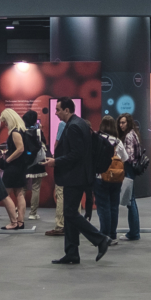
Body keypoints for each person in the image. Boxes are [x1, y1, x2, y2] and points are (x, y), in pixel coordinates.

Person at [51, 98, 114, 265]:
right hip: (79, 176)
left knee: (70, 213)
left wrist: (55, 162)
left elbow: (76, 154)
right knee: (69, 213)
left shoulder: (73, 126)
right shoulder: (80, 124)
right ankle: (72, 252)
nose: (56, 113)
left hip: (75, 177)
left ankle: (100, 239)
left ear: (67, 110)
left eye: (58, 109)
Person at [94, 115, 130, 241]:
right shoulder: (118, 141)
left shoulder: (97, 139)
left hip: (100, 177)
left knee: (103, 207)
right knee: (114, 207)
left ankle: (104, 236)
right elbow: (125, 158)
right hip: (116, 178)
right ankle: (112, 235)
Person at [0, 107, 32, 229]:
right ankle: (20, 222)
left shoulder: (15, 132)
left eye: (5, 121)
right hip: (20, 167)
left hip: (13, 168)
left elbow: (20, 149)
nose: (5, 124)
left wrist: (7, 159)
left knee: (5, 194)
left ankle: (14, 222)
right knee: (19, 194)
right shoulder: (22, 131)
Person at [118, 112, 144, 242]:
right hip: (132, 170)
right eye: (120, 122)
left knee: (130, 201)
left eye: (123, 122)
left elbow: (129, 157)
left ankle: (134, 233)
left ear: (128, 123)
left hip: (128, 170)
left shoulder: (128, 136)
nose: (121, 125)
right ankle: (134, 231)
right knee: (131, 201)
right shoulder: (134, 134)